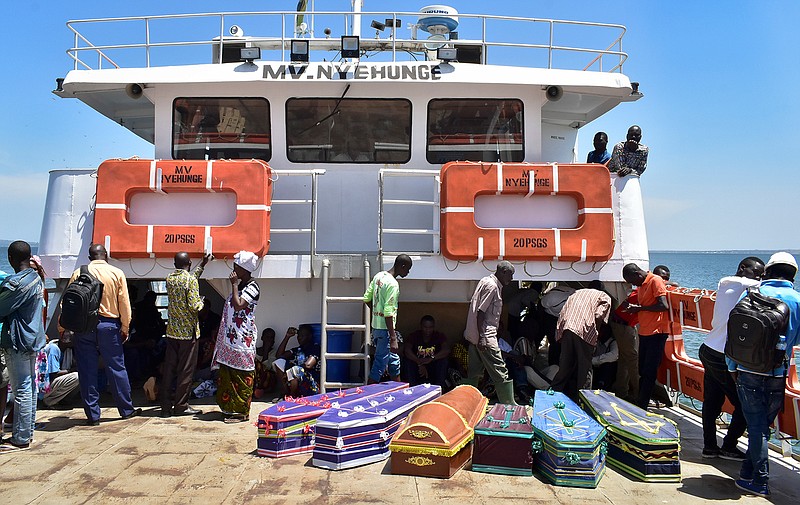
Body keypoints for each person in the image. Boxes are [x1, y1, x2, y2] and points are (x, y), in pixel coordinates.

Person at [727, 252, 800, 498]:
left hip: (746, 370)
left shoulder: (751, 293)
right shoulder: (796, 299)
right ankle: (752, 475)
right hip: (777, 373)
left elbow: (735, 333)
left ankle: (758, 480)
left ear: (768, 271)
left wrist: (732, 366)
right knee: (761, 426)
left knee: (756, 426)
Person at [699, 256, 764, 461]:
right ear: (743, 268)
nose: (760, 277)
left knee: (711, 402)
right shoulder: (748, 285)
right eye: (758, 272)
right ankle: (729, 446)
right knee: (745, 406)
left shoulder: (725, 283)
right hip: (722, 356)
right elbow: (756, 284)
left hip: (708, 348)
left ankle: (709, 446)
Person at [69, 244, 140, 426]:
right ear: (106, 255)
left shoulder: (78, 273)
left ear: (89, 256)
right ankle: (126, 409)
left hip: (84, 327)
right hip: (109, 325)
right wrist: (125, 327)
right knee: (116, 368)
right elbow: (124, 303)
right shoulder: (116, 273)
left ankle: (93, 416)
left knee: (87, 370)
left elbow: (68, 302)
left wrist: (63, 329)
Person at [0, 241, 46, 451]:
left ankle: (20, 438)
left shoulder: (16, 283)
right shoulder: (36, 279)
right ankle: (27, 433)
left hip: (18, 341)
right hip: (33, 339)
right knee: (31, 388)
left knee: (21, 390)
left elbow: (2, 307)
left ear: (11, 258)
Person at [160, 252, 212, 418]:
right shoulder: (189, 280)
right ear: (189, 262)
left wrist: (202, 265)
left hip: (172, 332)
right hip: (188, 334)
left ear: (174, 263)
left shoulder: (169, 278)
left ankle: (165, 407)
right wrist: (202, 302)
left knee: (169, 369)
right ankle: (181, 406)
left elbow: (189, 280)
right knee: (185, 371)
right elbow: (195, 306)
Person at [212, 251, 260, 423]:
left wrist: (233, 284)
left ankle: (241, 412)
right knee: (228, 375)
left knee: (242, 375)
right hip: (231, 339)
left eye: (236, 267)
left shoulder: (252, 287)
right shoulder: (241, 286)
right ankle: (230, 410)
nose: (233, 269)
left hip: (242, 340)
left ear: (244, 270)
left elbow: (239, 306)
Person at [464, 261, 517, 405]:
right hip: (485, 337)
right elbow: (481, 312)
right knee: (500, 372)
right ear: (503, 272)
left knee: (474, 373)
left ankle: (467, 402)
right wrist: (482, 338)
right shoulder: (493, 287)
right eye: (510, 275)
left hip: (475, 336)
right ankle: (509, 404)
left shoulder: (485, 281)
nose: (511, 279)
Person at [621, 263, 670, 410]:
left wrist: (640, 308)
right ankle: (641, 400)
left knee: (649, 371)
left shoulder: (655, 280)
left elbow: (664, 306)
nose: (632, 285)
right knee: (642, 369)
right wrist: (633, 310)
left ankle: (643, 404)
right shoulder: (642, 284)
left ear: (638, 274)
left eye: (632, 281)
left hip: (656, 333)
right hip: (645, 332)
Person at [550, 287, 611, 401]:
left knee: (565, 365)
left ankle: (553, 393)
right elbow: (598, 316)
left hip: (567, 328)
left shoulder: (575, 293)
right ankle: (583, 399)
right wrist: (595, 333)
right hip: (584, 330)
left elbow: (563, 312)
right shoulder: (604, 296)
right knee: (585, 368)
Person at [363, 254, 413, 384]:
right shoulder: (393, 285)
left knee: (394, 361)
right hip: (385, 330)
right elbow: (388, 313)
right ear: (402, 266)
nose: (408, 272)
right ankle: (367, 393)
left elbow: (367, 299)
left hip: (376, 328)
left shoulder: (379, 276)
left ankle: (398, 389)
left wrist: (376, 313)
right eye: (407, 269)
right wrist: (393, 338)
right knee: (380, 364)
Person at [273, 325, 321, 398]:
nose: (299, 338)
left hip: (312, 385)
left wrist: (289, 372)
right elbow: (279, 355)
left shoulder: (315, 348)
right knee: (279, 362)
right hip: (297, 384)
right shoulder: (299, 349)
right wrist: (287, 336)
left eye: (302, 336)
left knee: (295, 370)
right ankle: (286, 394)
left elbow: (308, 365)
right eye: (298, 336)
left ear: (309, 336)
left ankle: (293, 396)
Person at [403, 315, 450, 389]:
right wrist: (418, 362)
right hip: (417, 365)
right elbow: (407, 350)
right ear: (421, 326)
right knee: (407, 362)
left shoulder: (438, 336)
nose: (428, 330)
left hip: (432, 364)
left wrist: (431, 359)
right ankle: (412, 388)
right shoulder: (415, 336)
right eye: (425, 327)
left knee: (443, 362)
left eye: (430, 327)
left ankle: (439, 387)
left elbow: (446, 350)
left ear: (433, 327)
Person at [538, 284, 576, 366]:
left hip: (564, 318)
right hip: (549, 316)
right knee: (554, 342)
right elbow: (540, 306)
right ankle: (553, 366)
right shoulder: (553, 297)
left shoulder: (578, 305)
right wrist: (542, 323)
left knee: (563, 342)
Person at [39, 336, 80, 408]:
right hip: (43, 386)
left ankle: (62, 400)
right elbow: (53, 374)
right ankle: (49, 401)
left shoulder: (67, 350)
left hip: (51, 384)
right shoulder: (54, 348)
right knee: (77, 376)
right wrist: (72, 370)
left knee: (84, 375)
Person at [592, 325, 618, 391]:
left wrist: (595, 360)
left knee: (608, 365)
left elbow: (613, 356)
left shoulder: (613, 342)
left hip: (606, 371)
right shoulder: (597, 341)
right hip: (596, 368)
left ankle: (602, 386)